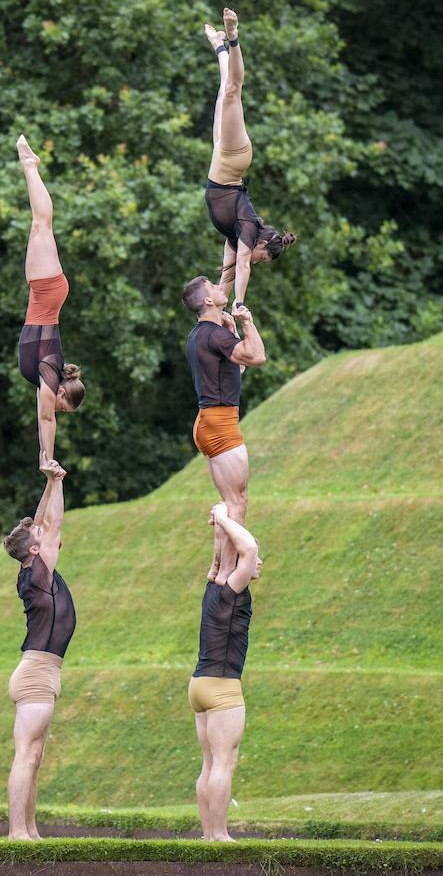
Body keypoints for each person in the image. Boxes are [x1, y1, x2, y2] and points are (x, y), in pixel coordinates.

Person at [1, 456, 75, 840]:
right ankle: (17, 832)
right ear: (34, 550)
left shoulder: (35, 568)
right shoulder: (37, 574)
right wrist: (58, 482)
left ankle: (30, 831)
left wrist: (48, 483)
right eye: (38, 538)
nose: (43, 535)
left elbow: (43, 522)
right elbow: (54, 524)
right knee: (26, 756)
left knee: (34, 759)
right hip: (36, 674)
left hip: (44, 672)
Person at [202, 7, 297, 309]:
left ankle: (219, 46)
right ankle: (233, 36)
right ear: (263, 245)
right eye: (263, 258)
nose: (257, 261)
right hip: (233, 159)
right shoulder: (248, 228)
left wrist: (220, 308)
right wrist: (240, 303)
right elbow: (243, 266)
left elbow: (227, 276)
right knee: (233, 91)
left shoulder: (236, 236)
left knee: (224, 92)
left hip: (221, 156)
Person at [182, 275, 265, 580]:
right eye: (215, 288)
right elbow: (257, 356)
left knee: (229, 502)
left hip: (208, 421)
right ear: (208, 300)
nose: (222, 289)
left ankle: (217, 568)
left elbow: (235, 368)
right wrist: (247, 322)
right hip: (220, 424)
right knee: (237, 503)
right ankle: (229, 574)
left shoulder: (200, 334)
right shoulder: (214, 335)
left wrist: (231, 331)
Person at [190, 501, 262, 841]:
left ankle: (209, 835)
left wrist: (221, 528)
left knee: (209, 763)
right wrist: (222, 517)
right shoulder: (233, 590)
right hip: (222, 687)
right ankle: (218, 834)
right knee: (224, 762)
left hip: (199, 684)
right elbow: (248, 550)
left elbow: (226, 557)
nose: (258, 562)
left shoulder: (215, 585)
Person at [16, 135, 85, 463]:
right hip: (47, 289)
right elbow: (46, 419)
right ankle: (30, 166)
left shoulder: (47, 375)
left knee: (39, 226)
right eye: (62, 406)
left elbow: (44, 414)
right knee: (41, 224)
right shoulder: (50, 372)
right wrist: (48, 459)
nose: (56, 409)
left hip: (42, 290)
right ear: (61, 393)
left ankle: (30, 167)